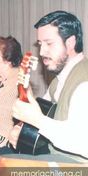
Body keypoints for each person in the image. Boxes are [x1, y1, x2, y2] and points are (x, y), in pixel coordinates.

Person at [10, 10, 88, 163]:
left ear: (70, 42)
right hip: (55, 158)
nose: (42, 51)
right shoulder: (59, 79)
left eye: (49, 43)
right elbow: (42, 114)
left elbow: (83, 143)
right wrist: (22, 131)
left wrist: (37, 120)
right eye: (40, 44)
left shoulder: (84, 83)